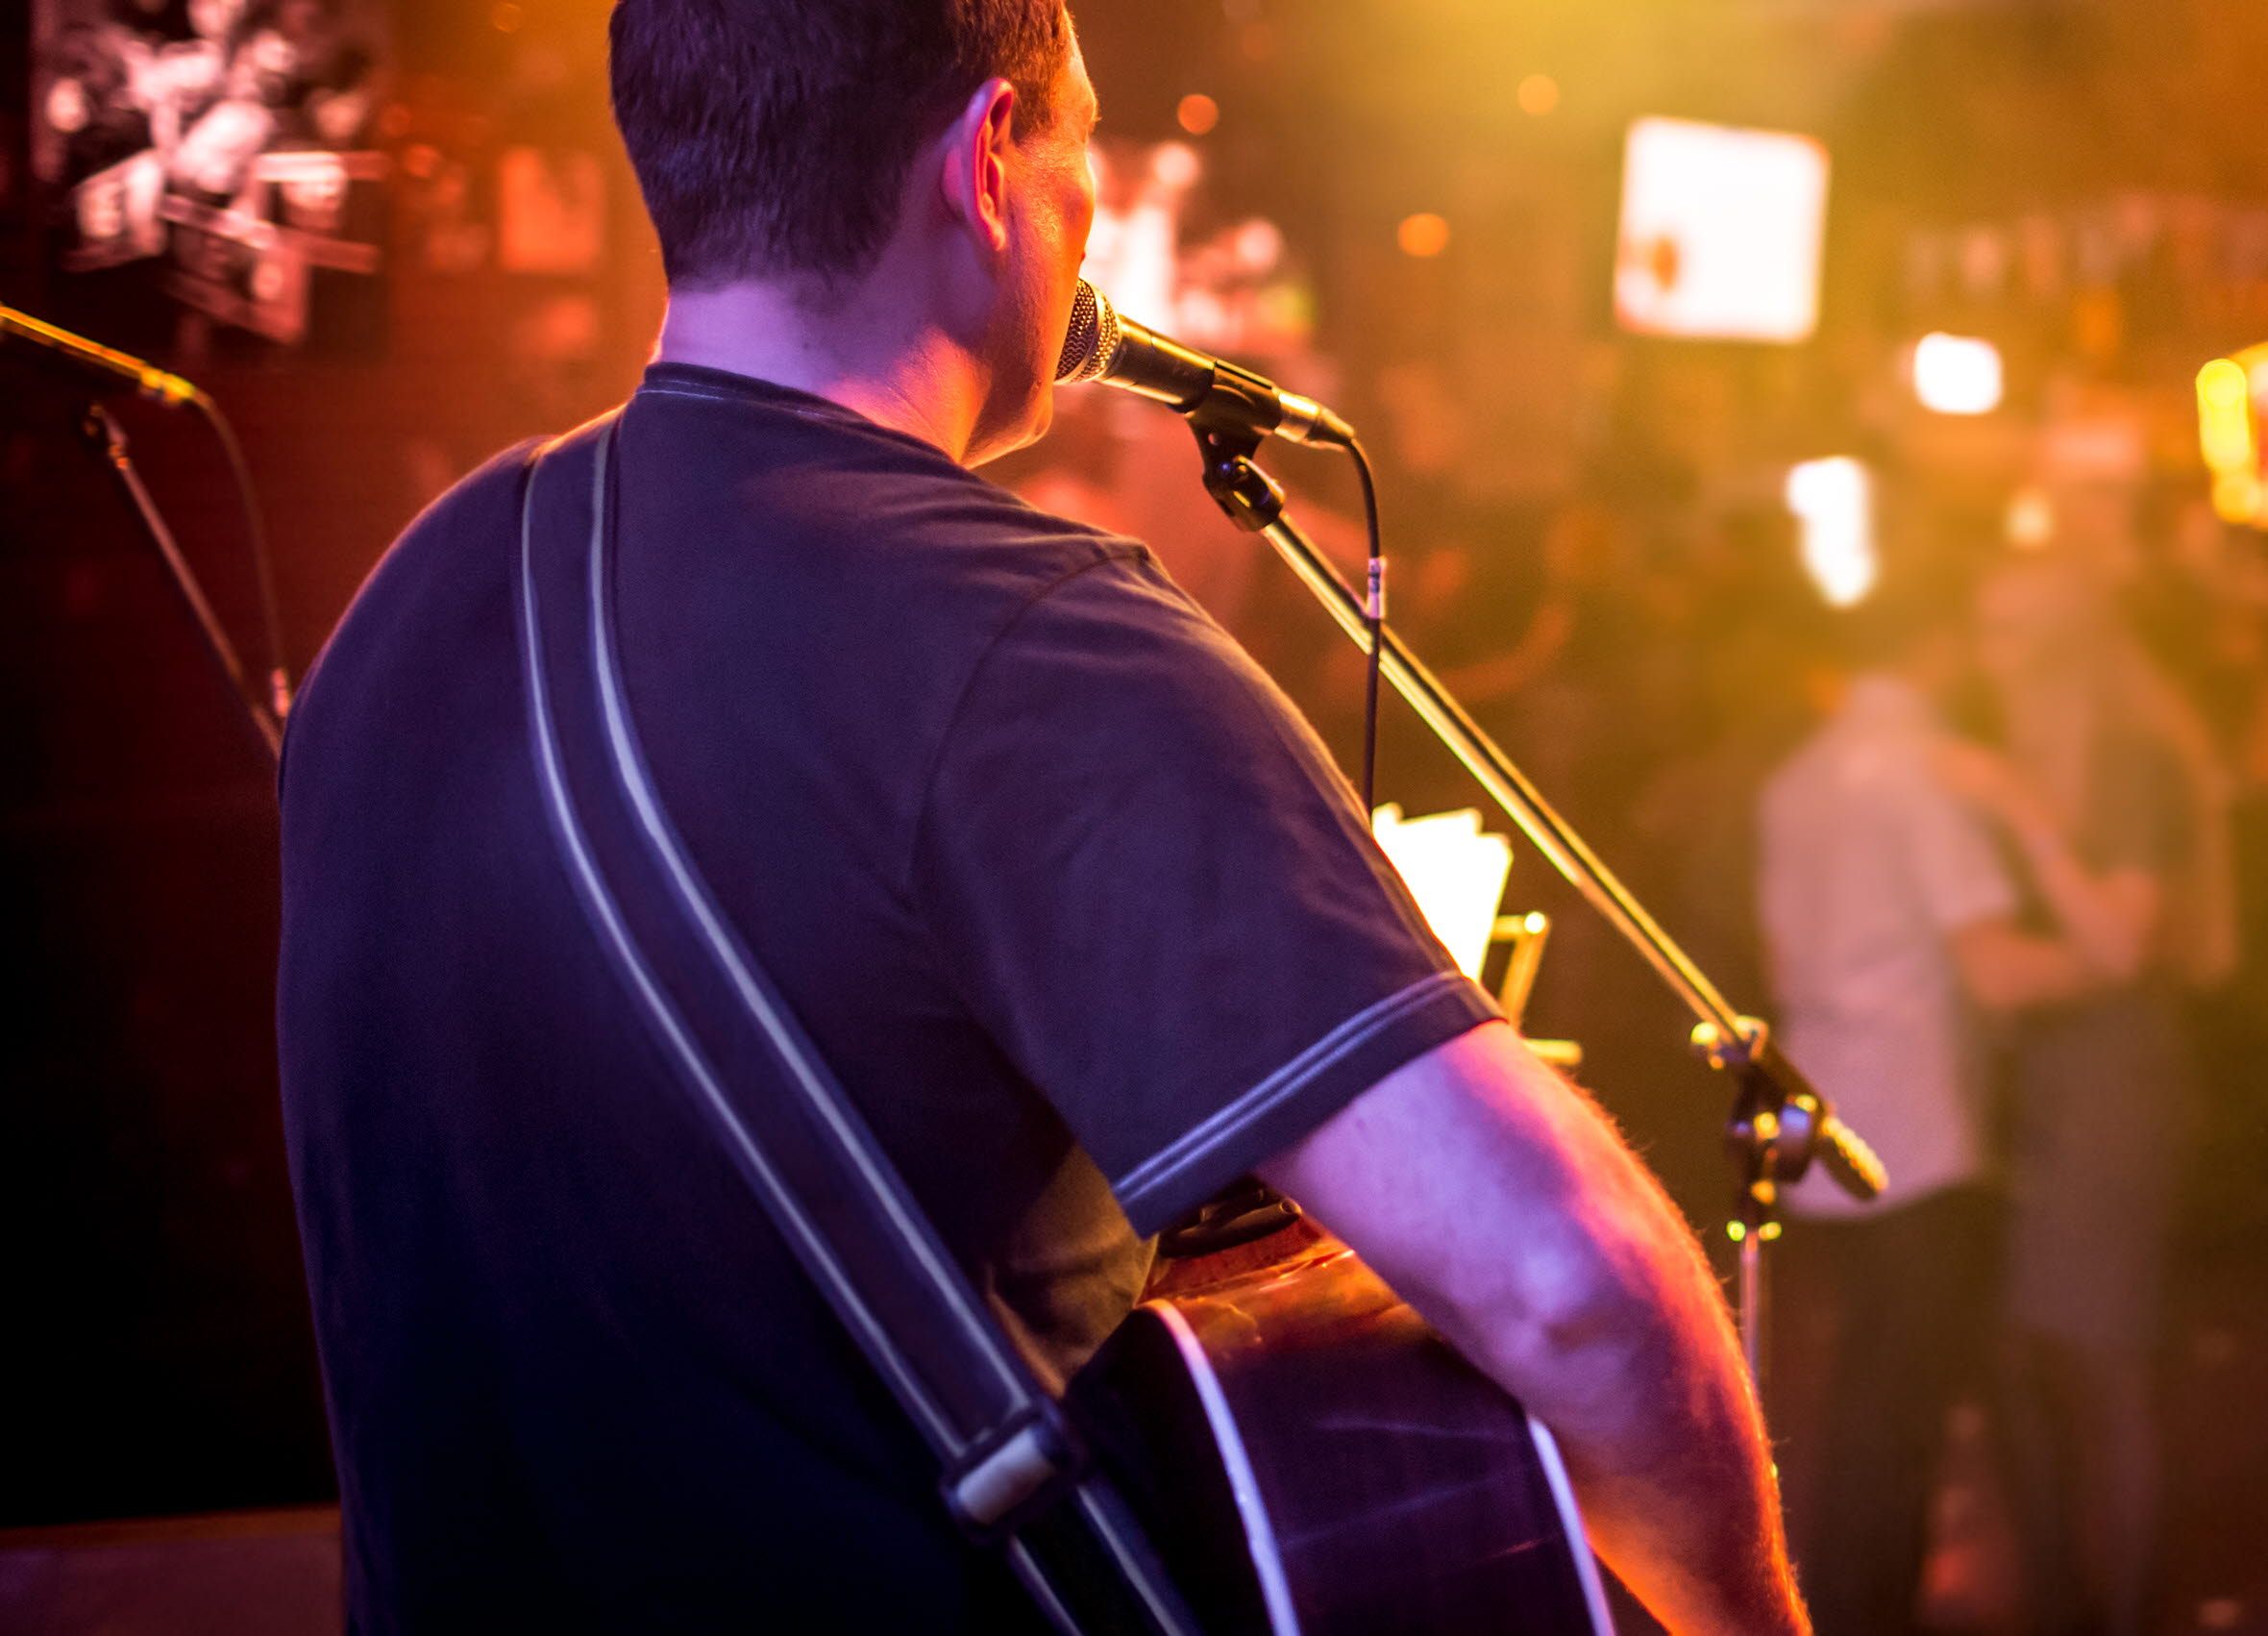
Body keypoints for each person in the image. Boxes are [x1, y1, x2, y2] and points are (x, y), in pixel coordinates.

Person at [273, 5, 1799, 1631]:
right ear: (990, 160)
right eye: (1088, 145)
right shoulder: (1032, 638)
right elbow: (1571, 1291)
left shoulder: (409, 598)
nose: (1094, 217)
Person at [1757, 568, 2142, 1636]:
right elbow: (1995, 970)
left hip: (1826, 1125)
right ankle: (1884, 1607)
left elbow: (1786, 962)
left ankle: (1845, 1599)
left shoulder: (1797, 779)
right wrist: (2114, 962)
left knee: (1870, 1388)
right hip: (1923, 1133)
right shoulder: (1930, 776)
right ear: (1935, 650)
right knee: (1910, 1402)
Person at [1970, 557, 2221, 1636]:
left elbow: (2119, 938)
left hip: (2116, 1089)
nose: (1993, 653)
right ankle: (2065, 1598)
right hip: (2034, 1088)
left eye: (2017, 630)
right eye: (1985, 628)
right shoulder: (2023, 751)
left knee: (2107, 1362)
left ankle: (2124, 1611)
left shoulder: (2129, 758)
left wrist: (2020, 817)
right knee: (2025, 1357)